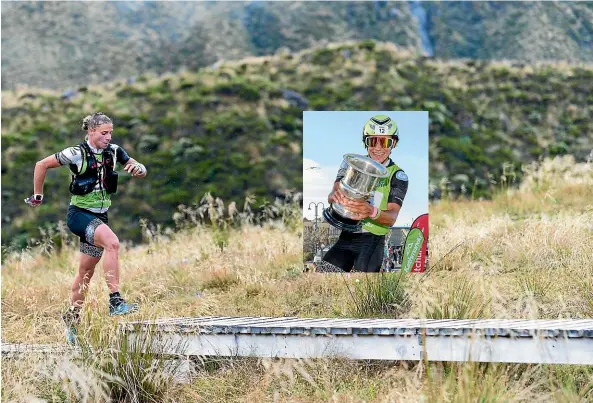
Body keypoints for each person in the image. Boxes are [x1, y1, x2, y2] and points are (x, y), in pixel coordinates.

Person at [25, 112, 147, 344]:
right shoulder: (75, 153)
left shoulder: (115, 151)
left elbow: (137, 167)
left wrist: (139, 169)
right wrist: (38, 195)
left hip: (100, 216)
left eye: (110, 132)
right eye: (104, 133)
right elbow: (41, 164)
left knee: (86, 273)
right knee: (112, 243)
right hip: (79, 216)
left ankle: (71, 321)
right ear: (91, 132)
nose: (108, 137)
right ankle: (116, 302)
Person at [322, 115, 408, 272]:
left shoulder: (398, 175)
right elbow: (332, 194)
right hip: (347, 234)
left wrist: (370, 211)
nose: (378, 148)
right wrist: (333, 197)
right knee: (323, 276)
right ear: (365, 142)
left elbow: (392, 218)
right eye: (373, 141)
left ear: (393, 144)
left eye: (385, 142)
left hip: (373, 240)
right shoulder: (351, 163)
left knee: (363, 289)